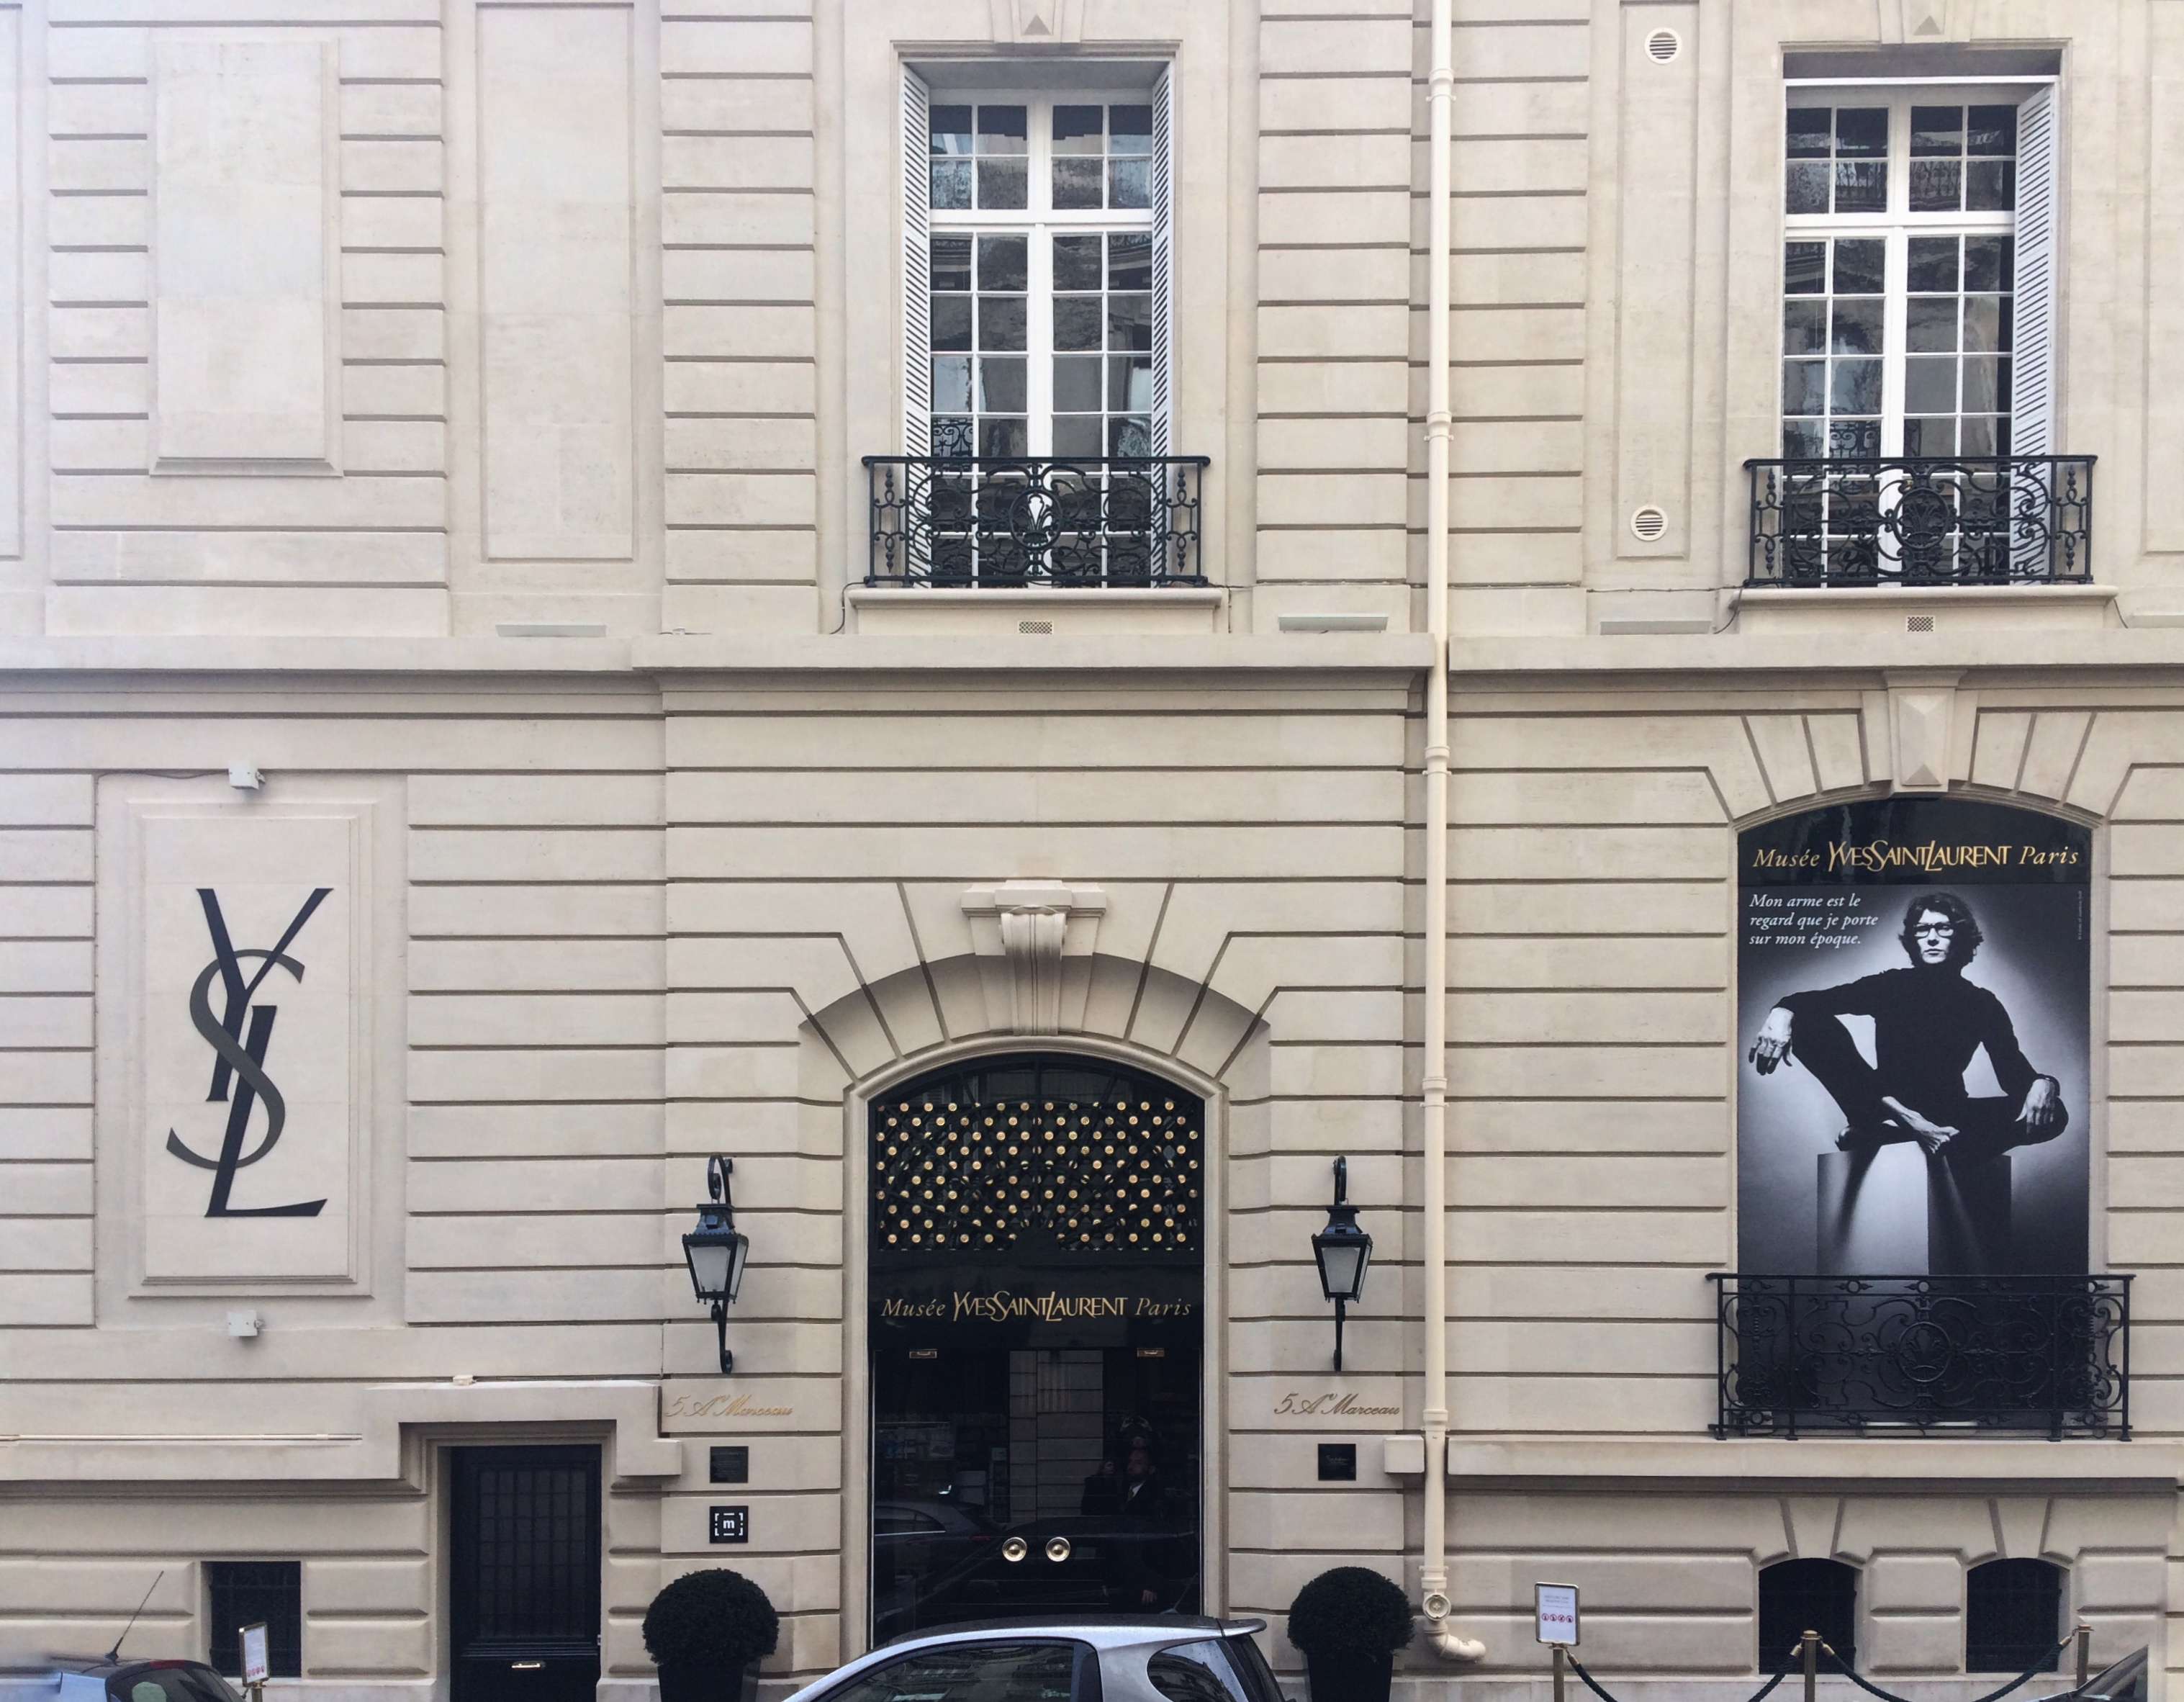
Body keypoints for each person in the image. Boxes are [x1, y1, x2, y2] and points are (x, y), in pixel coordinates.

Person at [1748, 891, 2066, 1163]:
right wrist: (1782, 1011)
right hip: (1880, 1104)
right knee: (1805, 1020)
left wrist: (2045, 1083)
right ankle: (1910, 1129)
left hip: (1948, 1112)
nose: (1932, 938)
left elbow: (2014, 1076)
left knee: (2055, 1114)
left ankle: (1899, 1139)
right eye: (1922, 929)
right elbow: (1815, 1002)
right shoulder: (1891, 985)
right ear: (1913, 939)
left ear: (1960, 936)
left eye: (1943, 928)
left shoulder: (1982, 1002)